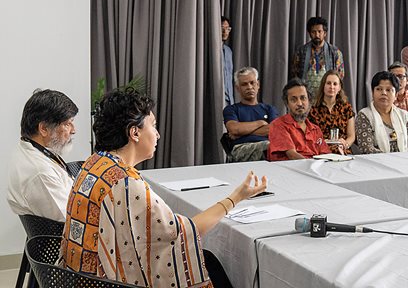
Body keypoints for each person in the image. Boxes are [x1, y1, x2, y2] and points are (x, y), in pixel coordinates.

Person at [60, 89, 267, 286]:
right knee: (212, 264)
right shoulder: (124, 183)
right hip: (103, 282)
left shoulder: (95, 162)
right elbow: (181, 232)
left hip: (78, 277)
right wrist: (236, 197)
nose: (157, 135)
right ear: (135, 133)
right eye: (153, 125)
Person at [7, 89, 78, 222]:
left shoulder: (30, 150)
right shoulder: (40, 173)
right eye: (67, 124)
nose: (73, 130)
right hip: (62, 240)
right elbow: (70, 221)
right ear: (43, 128)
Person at [356, 71, 408, 154]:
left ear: (396, 95)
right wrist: (391, 160)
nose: (383, 93)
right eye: (379, 89)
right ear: (372, 93)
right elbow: (367, 148)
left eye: (388, 90)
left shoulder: (404, 115)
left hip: (404, 162)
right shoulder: (364, 115)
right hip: (376, 163)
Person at [223, 67, 279, 162]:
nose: (249, 87)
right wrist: (261, 123)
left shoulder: (269, 109)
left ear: (258, 84)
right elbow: (234, 129)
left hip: (267, 146)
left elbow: (274, 130)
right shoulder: (231, 109)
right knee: (272, 147)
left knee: (282, 146)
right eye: (244, 84)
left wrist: (241, 133)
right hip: (240, 149)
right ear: (238, 88)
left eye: (252, 83)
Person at [268, 79, 330, 161]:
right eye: (293, 100)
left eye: (303, 98)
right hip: (289, 170)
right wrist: (312, 166)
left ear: (309, 101)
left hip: (315, 170)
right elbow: (292, 155)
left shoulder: (316, 130)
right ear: (287, 104)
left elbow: (326, 155)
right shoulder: (278, 125)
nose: (300, 103)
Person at [291, 17, 345, 95]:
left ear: (325, 33)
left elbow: (339, 77)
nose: (317, 35)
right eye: (313, 32)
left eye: (319, 31)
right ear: (309, 33)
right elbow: (294, 76)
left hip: (327, 97)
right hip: (305, 97)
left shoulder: (335, 52)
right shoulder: (301, 51)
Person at [308, 70, 355, 154]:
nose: (332, 87)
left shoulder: (346, 108)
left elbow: (351, 136)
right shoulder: (313, 109)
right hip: (320, 151)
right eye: (328, 83)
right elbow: (310, 136)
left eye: (335, 84)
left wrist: (345, 144)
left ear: (339, 87)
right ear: (323, 86)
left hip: (342, 151)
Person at [222, 16, 234, 107]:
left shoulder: (228, 51)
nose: (225, 32)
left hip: (229, 98)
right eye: (222, 28)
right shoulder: (211, 50)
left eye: (228, 29)